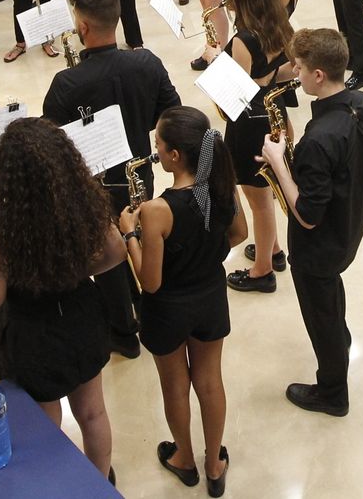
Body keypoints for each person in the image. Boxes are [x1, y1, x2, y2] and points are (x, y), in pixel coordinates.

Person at [259, 28, 363, 416]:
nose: (294, 72)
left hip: (317, 247)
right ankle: (342, 336)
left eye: (299, 67)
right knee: (330, 295)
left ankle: (332, 392)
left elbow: (306, 214)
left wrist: (277, 164)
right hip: (349, 228)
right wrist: (347, 184)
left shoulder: (318, 139)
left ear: (318, 75)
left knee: (320, 315)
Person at [0, 118, 127, 479]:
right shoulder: (84, 204)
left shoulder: (3, 229)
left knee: (47, 427)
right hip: (81, 316)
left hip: (33, 336)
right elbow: (116, 253)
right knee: (93, 414)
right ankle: (98, 480)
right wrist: (75, 270)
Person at [43, 0, 182, 359]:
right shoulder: (147, 62)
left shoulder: (67, 82)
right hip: (140, 172)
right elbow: (171, 112)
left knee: (105, 253)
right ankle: (150, 307)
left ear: (83, 27)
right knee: (142, 236)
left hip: (95, 183)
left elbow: (52, 141)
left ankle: (122, 331)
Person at [117, 107, 247, 494]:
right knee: (210, 381)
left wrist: (129, 235)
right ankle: (214, 464)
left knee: (175, 384)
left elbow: (150, 283)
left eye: (158, 143)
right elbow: (239, 234)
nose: (154, 149)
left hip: (168, 308)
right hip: (209, 296)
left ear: (175, 156)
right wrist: (203, 256)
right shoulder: (224, 184)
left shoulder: (158, 210)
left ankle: (184, 459)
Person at [215, 0, 297, 293]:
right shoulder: (282, 26)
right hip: (274, 115)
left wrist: (214, 59)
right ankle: (273, 250)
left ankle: (262, 271)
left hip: (250, 124)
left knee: (259, 201)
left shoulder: (243, 39)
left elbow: (236, 95)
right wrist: (267, 80)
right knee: (265, 194)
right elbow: (290, 70)